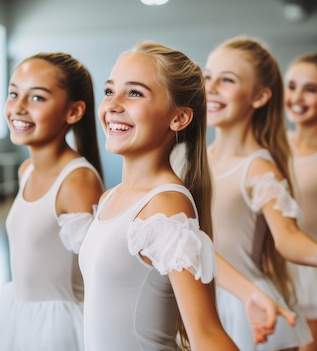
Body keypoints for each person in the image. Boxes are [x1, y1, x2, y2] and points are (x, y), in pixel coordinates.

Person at [78, 40, 253, 351]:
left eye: (134, 93)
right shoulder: (110, 199)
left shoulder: (165, 206)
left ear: (179, 118)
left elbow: (207, 336)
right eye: (109, 91)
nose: (113, 104)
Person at [203, 36, 317, 351]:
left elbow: (286, 236)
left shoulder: (258, 168)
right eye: (207, 77)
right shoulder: (191, 157)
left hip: (242, 305)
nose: (212, 87)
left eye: (227, 80)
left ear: (259, 97)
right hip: (195, 293)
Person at [0, 52, 105, 351]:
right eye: (13, 94)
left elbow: (100, 272)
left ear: (74, 111)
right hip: (19, 311)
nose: (18, 108)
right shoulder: (27, 170)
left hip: (59, 328)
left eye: (37, 98)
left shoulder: (77, 181)